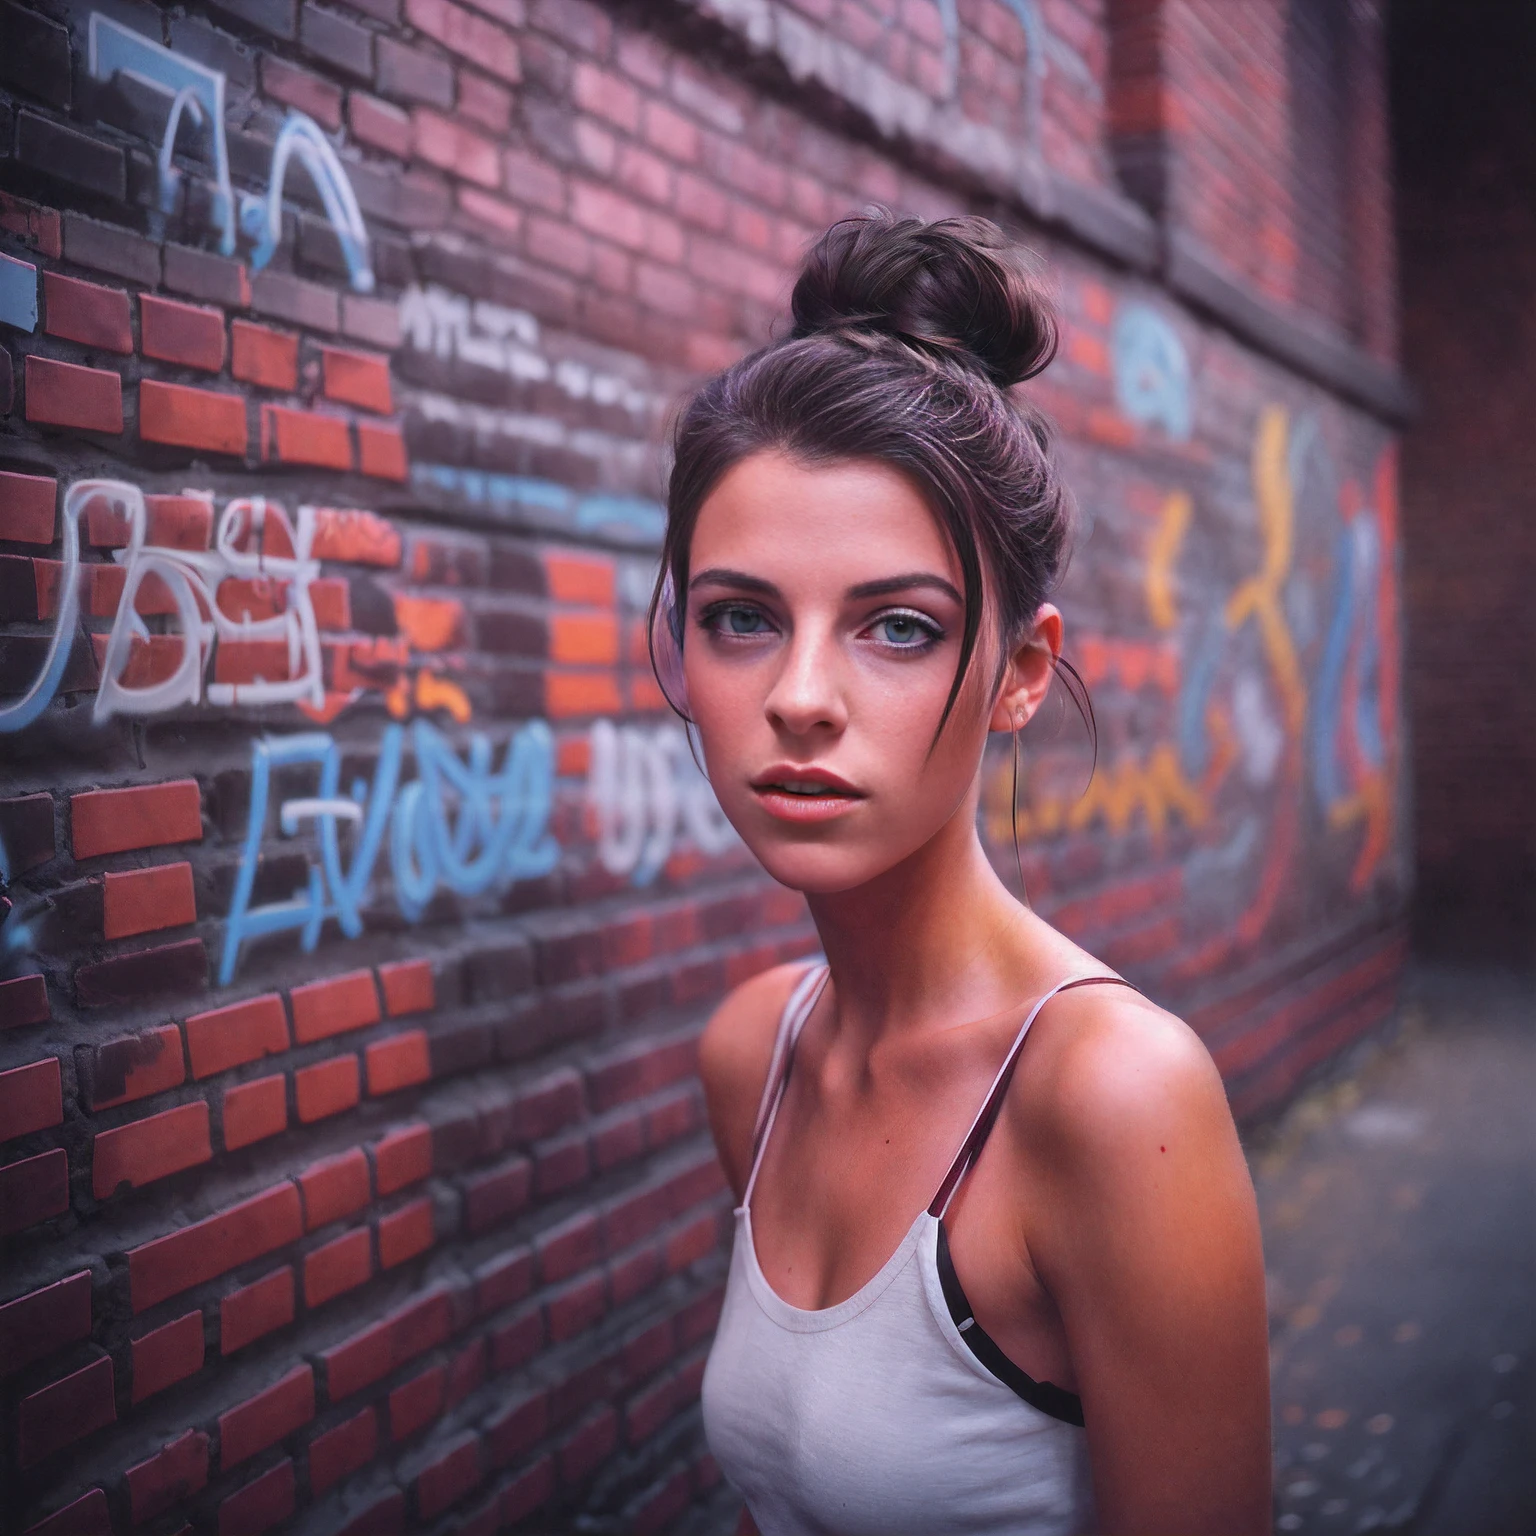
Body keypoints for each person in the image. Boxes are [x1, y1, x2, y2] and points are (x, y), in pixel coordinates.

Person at [650, 211, 1271, 1536]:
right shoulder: (755, 1053)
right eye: (742, 619)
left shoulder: (1113, 1099)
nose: (800, 697)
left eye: (898, 628)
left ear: (1023, 673)